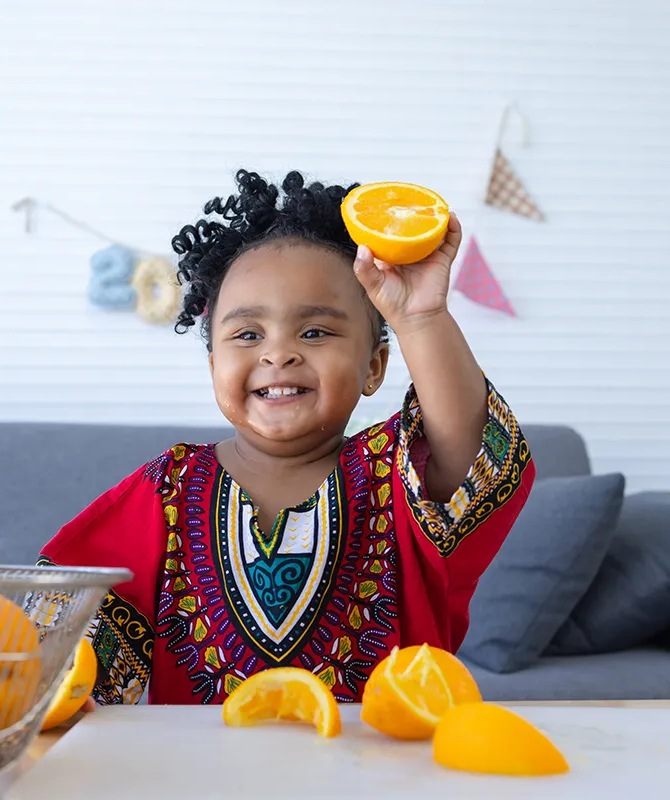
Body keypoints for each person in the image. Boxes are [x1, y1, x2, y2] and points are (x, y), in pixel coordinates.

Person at [38, 169, 535, 706]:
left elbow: (471, 451)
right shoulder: (168, 488)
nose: (278, 354)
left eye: (315, 331)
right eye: (248, 334)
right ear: (213, 368)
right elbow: (66, 622)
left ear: (374, 367)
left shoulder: (396, 473)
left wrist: (421, 318)